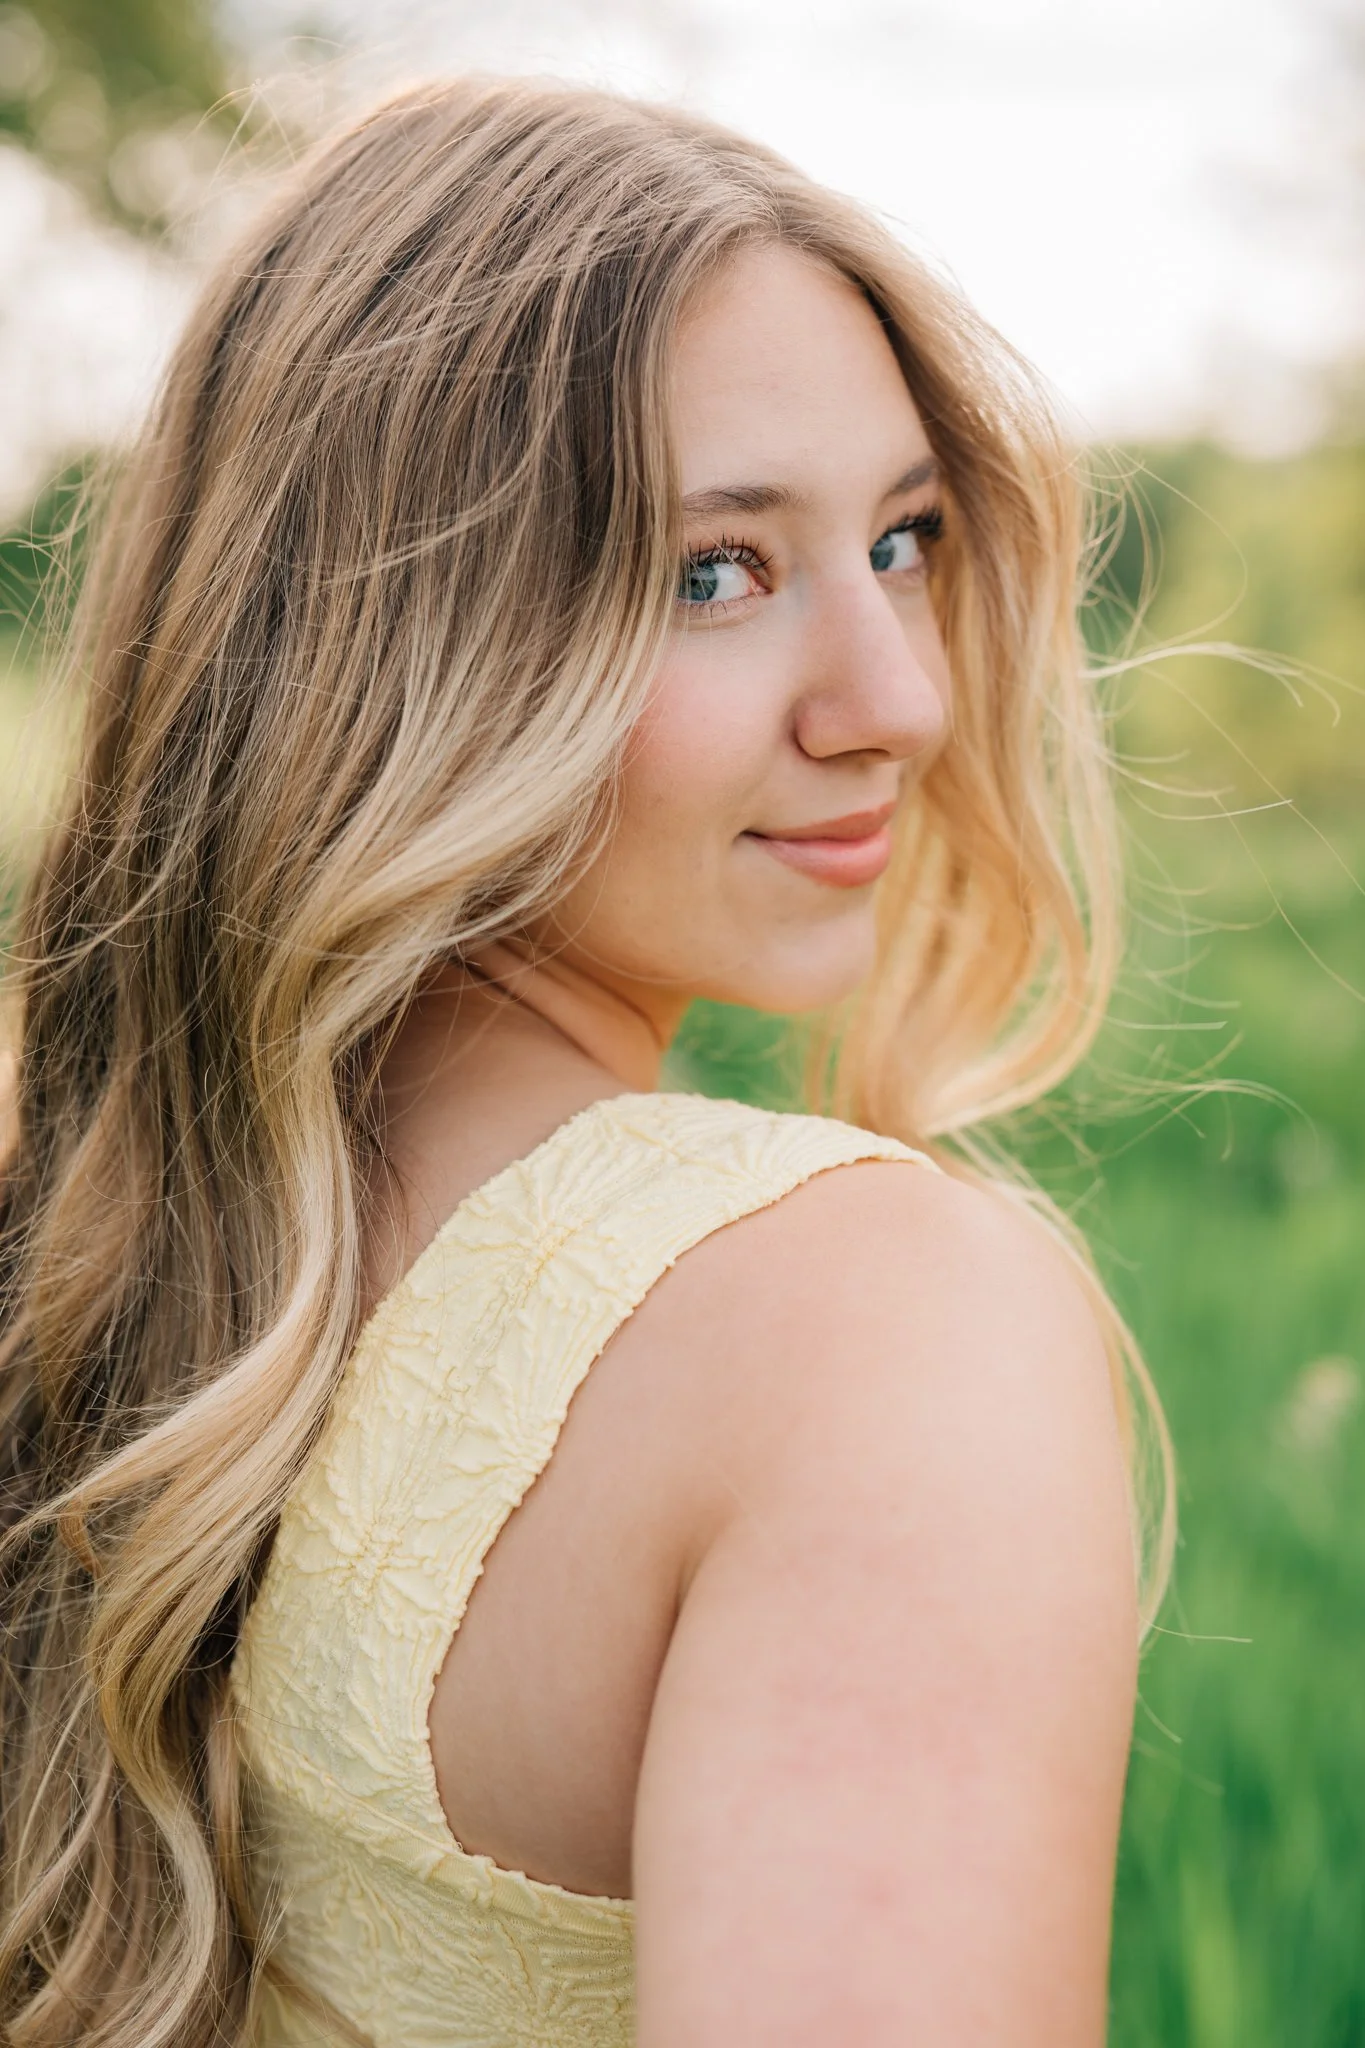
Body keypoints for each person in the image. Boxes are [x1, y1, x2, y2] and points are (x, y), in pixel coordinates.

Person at [0, 76, 1171, 2048]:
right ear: (393, 644)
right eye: (716, 571)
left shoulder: (78, 1242)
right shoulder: (869, 1332)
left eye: (903, 540)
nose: (896, 697)